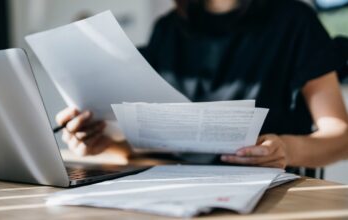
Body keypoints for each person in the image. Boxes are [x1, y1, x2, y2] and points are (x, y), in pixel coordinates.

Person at [56, 0, 348, 169]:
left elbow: (341, 136)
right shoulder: (168, 30)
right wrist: (104, 143)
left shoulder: (295, 22)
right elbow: (156, 146)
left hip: (269, 198)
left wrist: (286, 149)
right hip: (176, 193)